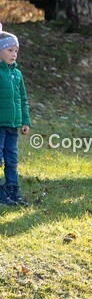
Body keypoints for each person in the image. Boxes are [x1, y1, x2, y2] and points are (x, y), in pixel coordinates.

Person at [0, 32, 31, 207]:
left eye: (16, 51)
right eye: (10, 50)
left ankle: (12, 188)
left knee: (12, 158)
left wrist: (25, 121)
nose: (14, 54)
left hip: (12, 127)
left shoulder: (17, 74)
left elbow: (23, 99)